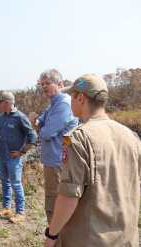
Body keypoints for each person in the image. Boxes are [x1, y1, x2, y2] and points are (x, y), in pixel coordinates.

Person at [44, 74, 141, 247]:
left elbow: (69, 196)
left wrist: (51, 235)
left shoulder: (77, 138)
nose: (69, 100)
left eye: (71, 96)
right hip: (126, 238)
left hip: (90, 239)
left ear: (80, 98)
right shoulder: (131, 136)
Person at [34, 69, 78, 226]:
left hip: (58, 161)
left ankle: (56, 237)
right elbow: (39, 119)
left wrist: (40, 127)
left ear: (60, 84)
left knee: (55, 202)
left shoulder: (63, 104)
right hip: (53, 159)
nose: (44, 87)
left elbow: (45, 133)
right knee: (54, 199)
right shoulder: (53, 104)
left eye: (48, 83)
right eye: (42, 84)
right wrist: (40, 124)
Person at [0, 91, 37, 223]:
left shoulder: (20, 117)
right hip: (2, 156)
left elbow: (33, 136)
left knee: (16, 184)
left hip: (14, 159)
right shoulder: (1, 118)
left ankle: (20, 212)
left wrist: (22, 152)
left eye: (0, 102)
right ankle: (6, 208)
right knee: (5, 182)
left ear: (7, 103)